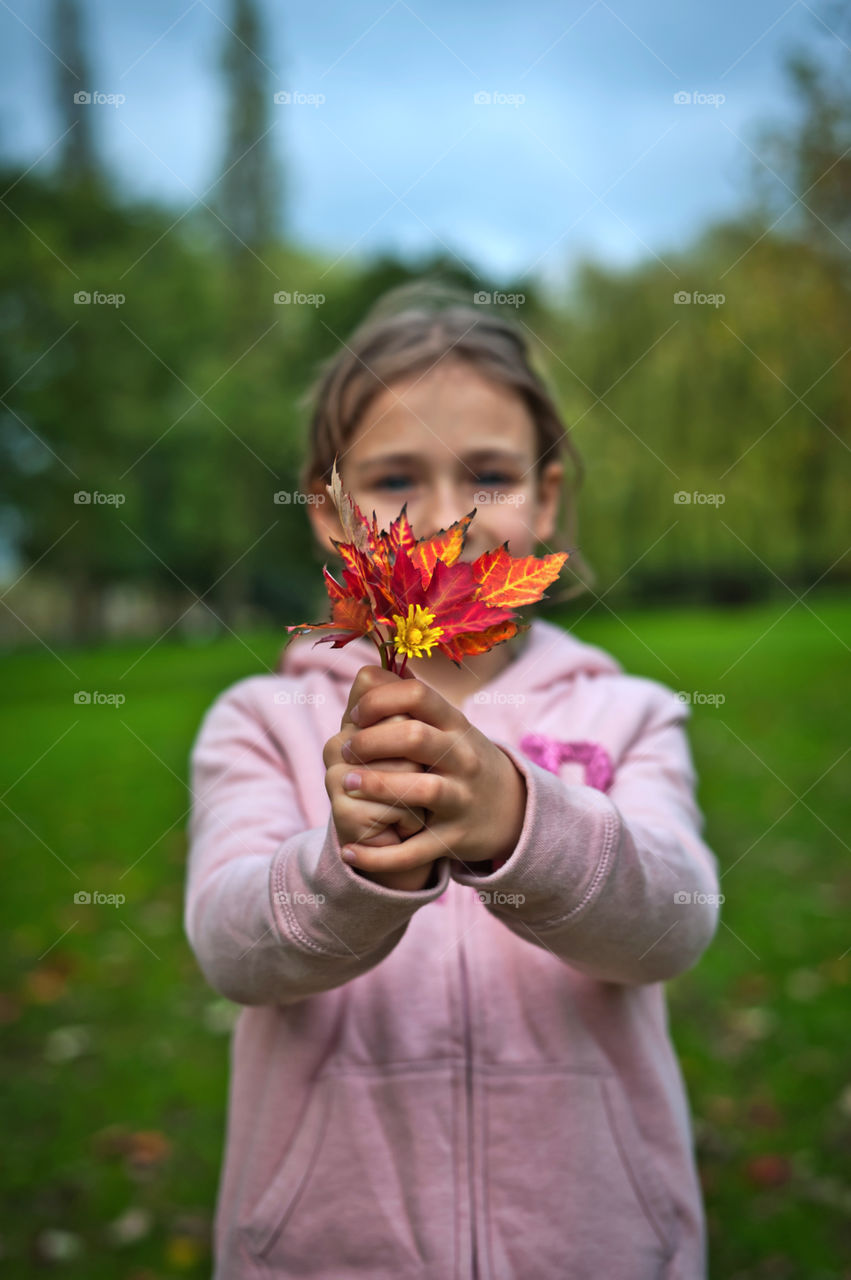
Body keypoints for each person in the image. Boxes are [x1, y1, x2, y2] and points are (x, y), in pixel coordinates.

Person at [184, 282, 721, 1279]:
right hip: (326, 1249)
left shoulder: (628, 712)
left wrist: (517, 818)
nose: (443, 521)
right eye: (394, 478)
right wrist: (354, 867)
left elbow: (671, 923)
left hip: (596, 1245)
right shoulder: (260, 723)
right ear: (327, 509)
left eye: (488, 475)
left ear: (546, 496)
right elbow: (232, 949)